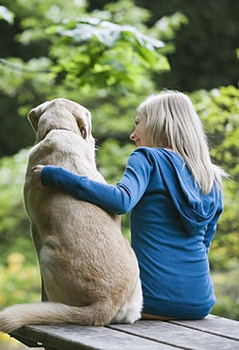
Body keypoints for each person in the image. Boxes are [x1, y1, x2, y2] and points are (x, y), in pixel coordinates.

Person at [31, 91, 225, 320]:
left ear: (159, 123)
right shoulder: (211, 177)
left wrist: (59, 176)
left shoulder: (148, 158)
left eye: (138, 123)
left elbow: (121, 200)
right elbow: (204, 244)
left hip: (153, 301)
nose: (133, 135)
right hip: (201, 303)